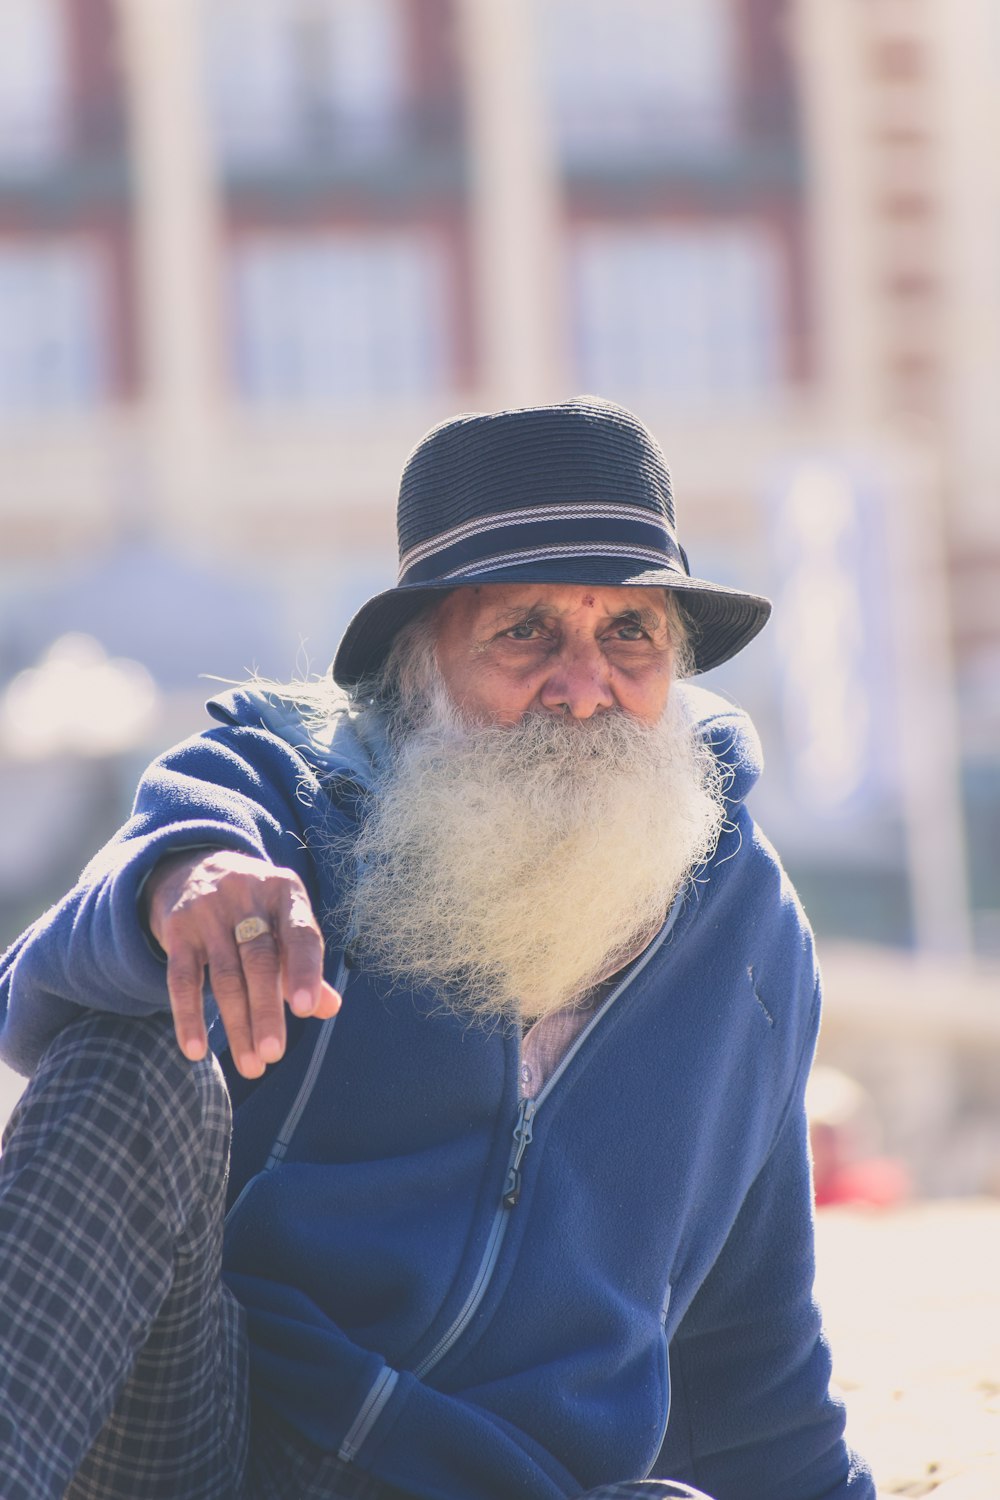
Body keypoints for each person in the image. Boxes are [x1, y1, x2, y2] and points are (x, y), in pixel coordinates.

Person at [0, 398, 874, 1500]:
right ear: (421, 666)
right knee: (131, 1061)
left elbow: (751, 1354)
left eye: (628, 632)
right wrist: (178, 885)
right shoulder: (284, 785)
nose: (583, 685)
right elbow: (33, 991)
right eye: (524, 633)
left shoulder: (751, 932)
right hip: (203, 1443)